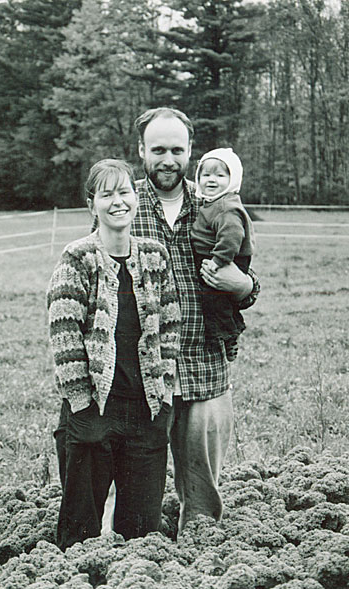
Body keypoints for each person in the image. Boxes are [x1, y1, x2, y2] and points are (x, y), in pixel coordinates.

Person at [131, 107, 260, 534]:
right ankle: (130, 545)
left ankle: (201, 551)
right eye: (158, 149)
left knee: (202, 487)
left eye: (177, 150)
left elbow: (245, 278)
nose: (168, 159)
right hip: (144, 365)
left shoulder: (213, 201)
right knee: (132, 475)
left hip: (205, 359)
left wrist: (243, 286)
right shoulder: (123, 204)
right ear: (141, 151)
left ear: (190, 151)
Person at [47, 158, 181, 551]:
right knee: (80, 531)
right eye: (107, 194)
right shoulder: (78, 259)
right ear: (92, 205)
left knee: (141, 530)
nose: (117, 202)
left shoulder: (155, 257)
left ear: (136, 198)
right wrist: (81, 405)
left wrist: (166, 391)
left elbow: (171, 324)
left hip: (146, 410)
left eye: (124, 192)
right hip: (93, 412)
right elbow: (64, 334)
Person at [191, 147, 255, 362]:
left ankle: (226, 335)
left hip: (225, 258)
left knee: (214, 298)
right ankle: (225, 329)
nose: (211, 180)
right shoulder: (212, 203)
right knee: (216, 299)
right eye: (206, 174)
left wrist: (218, 261)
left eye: (220, 175)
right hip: (213, 255)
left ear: (233, 178)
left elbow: (232, 236)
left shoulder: (226, 206)